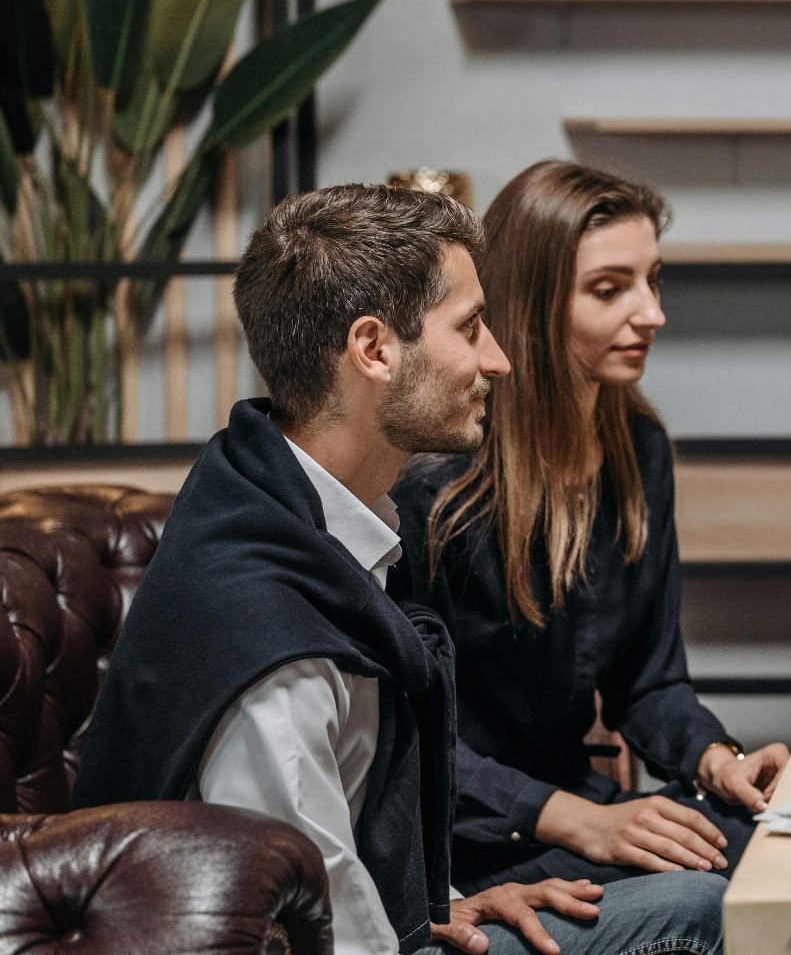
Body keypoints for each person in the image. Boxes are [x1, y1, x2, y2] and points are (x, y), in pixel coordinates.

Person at [71, 185, 726, 955]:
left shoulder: (290, 504)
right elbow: (320, 932)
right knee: (697, 910)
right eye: (471, 327)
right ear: (375, 350)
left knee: (701, 891)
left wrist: (450, 902)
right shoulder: (275, 650)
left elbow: (350, 849)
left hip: (410, 913)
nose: (499, 359)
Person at [388, 160, 789, 895]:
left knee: (780, 848)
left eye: (653, 280)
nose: (652, 313)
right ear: (535, 305)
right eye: (610, 290)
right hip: (470, 847)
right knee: (724, 886)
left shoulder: (638, 453)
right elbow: (411, 748)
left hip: (582, 811)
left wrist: (715, 759)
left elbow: (650, 682)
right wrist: (578, 820)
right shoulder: (436, 492)